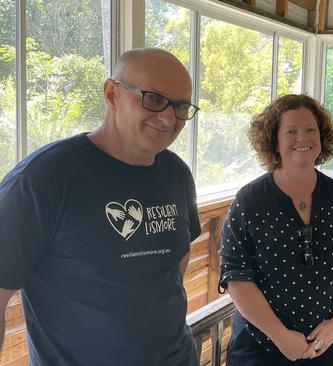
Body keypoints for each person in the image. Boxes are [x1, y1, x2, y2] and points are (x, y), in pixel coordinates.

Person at [0, 48, 201, 365]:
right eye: (153, 99)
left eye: (180, 106)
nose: (168, 117)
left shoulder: (177, 174)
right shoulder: (42, 180)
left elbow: (174, 262)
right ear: (112, 94)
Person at [219, 94, 333, 366]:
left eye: (311, 129)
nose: (303, 138)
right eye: (291, 131)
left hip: (327, 346)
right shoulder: (250, 200)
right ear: (274, 141)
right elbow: (235, 274)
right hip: (261, 347)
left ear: (322, 137)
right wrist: (280, 335)